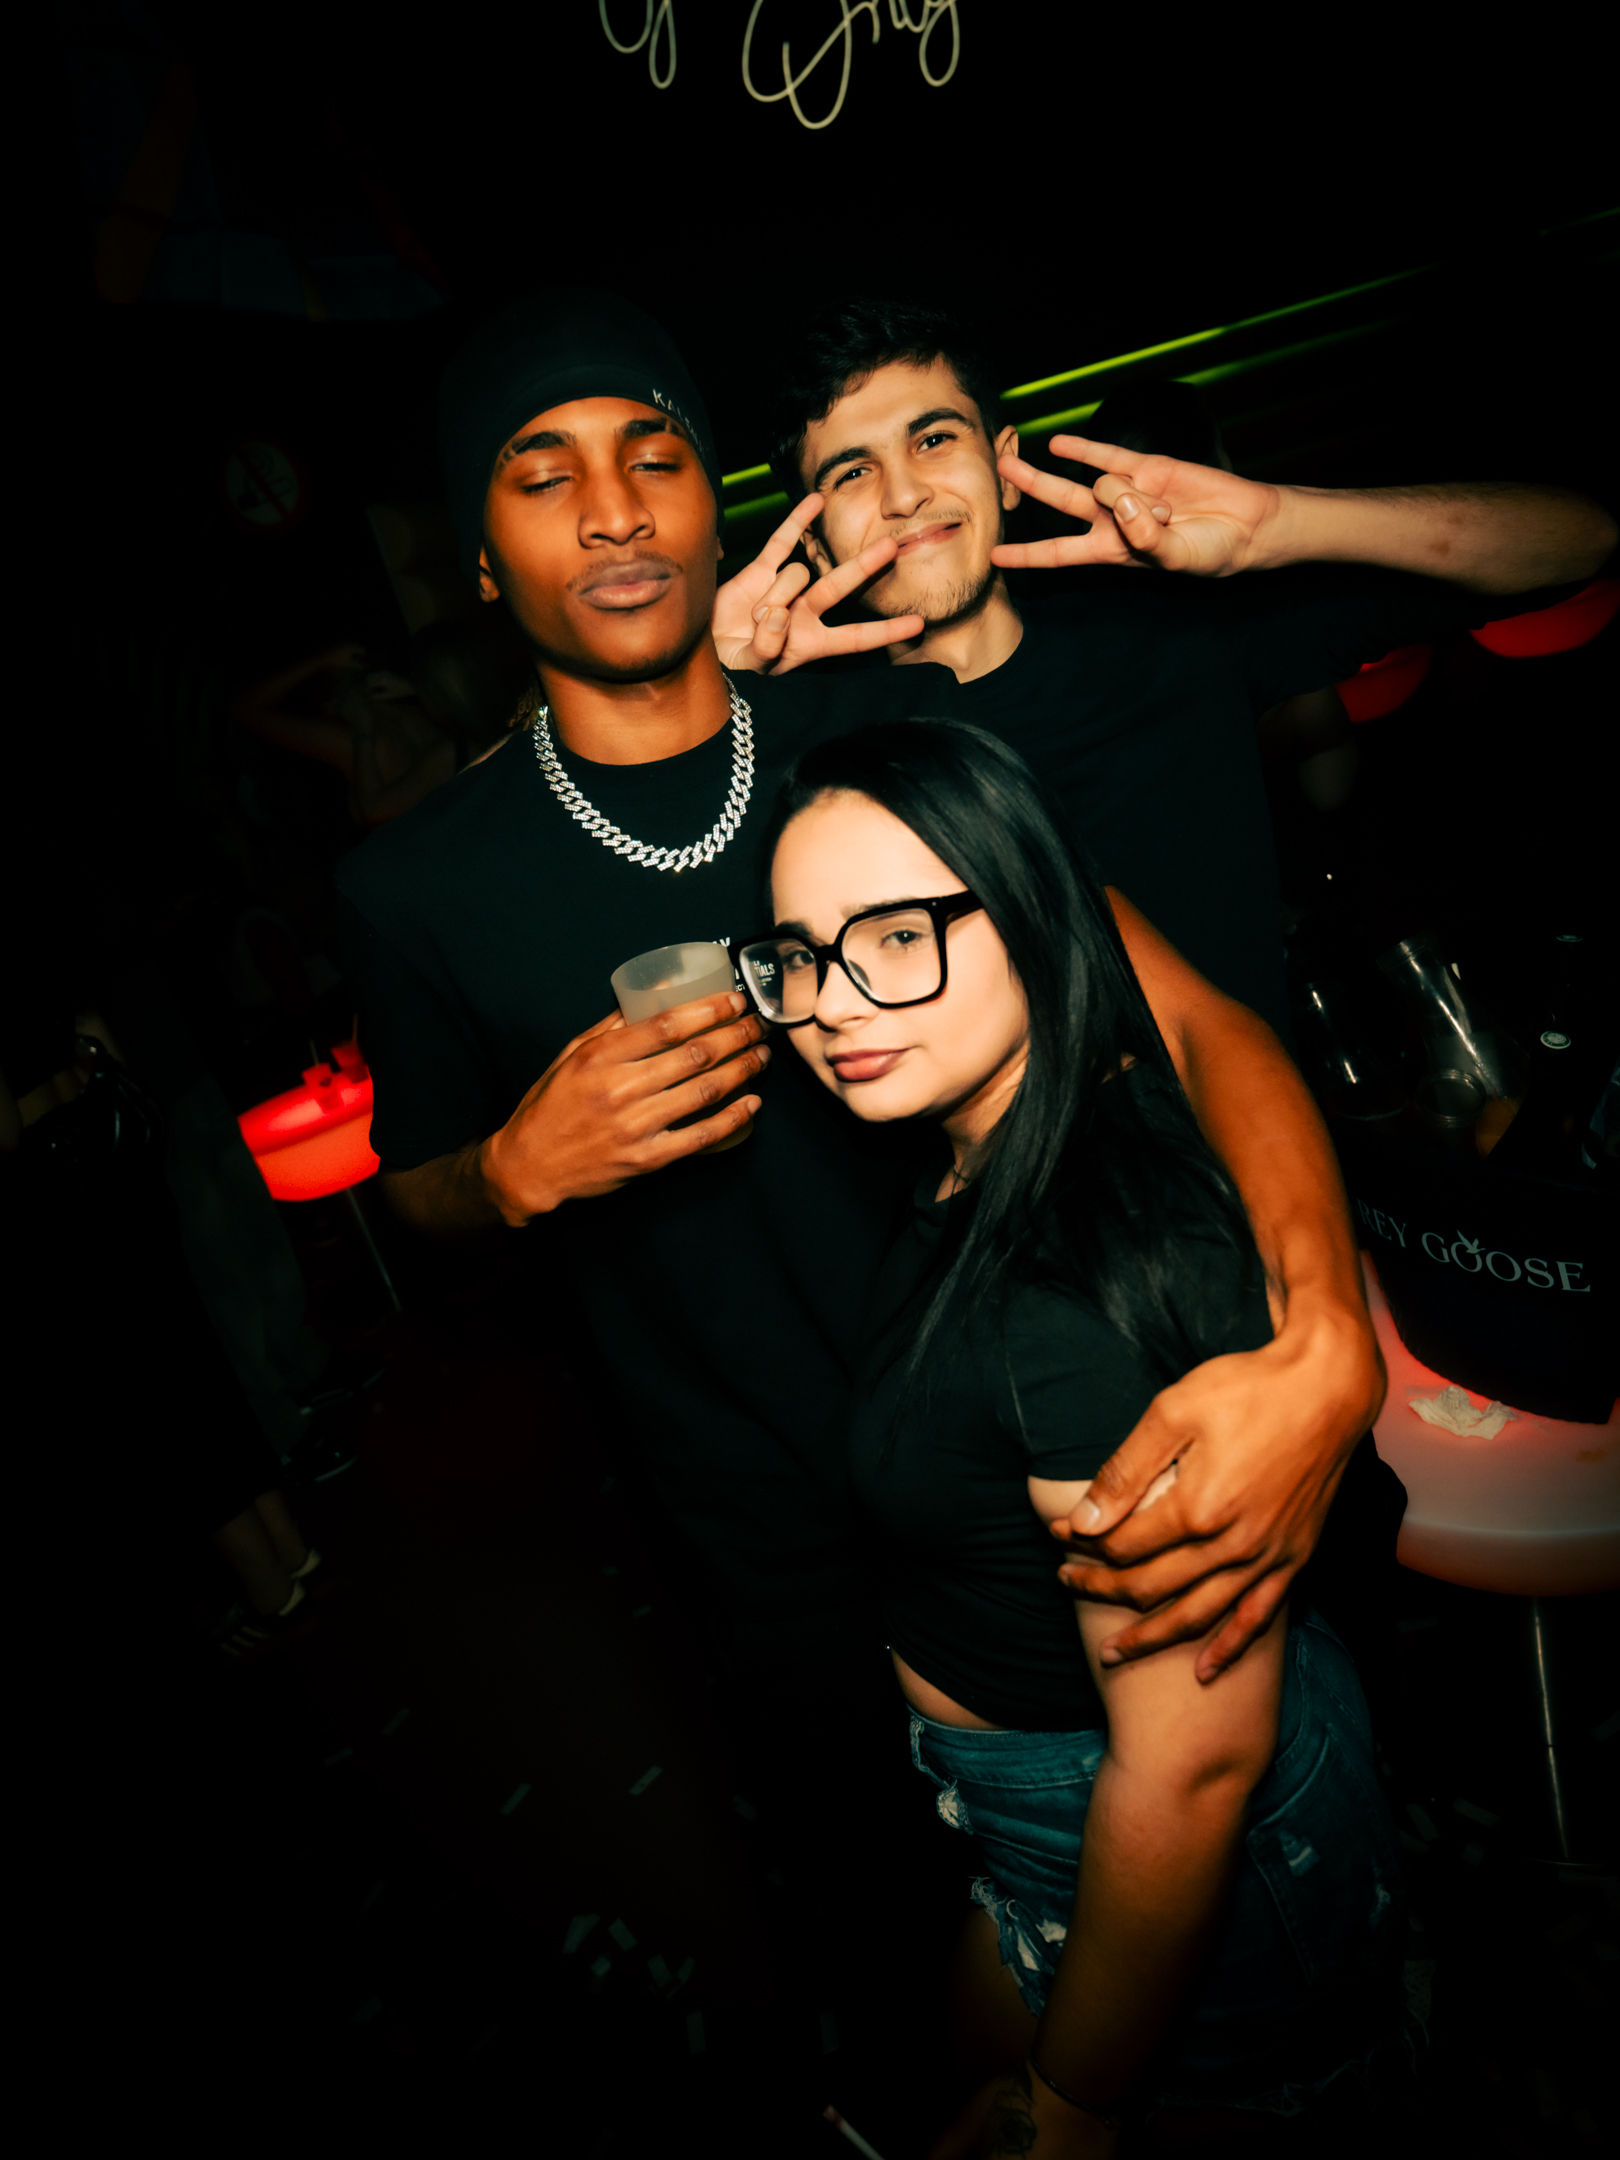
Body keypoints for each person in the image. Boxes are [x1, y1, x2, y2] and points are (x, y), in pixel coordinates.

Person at [336, 288, 1387, 1744]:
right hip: (768, 1530)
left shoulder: (883, 734)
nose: (615, 514)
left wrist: (1327, 1328)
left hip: (1066, 1429)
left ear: (716, 515)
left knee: (1239, 1790)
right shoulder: (416, 885)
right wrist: (512, 1169)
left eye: (654, 458)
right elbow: (411, 1190)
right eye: (542, 476)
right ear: (477, 553)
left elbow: (1194, 1025)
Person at [747, 297, 1614, 1655]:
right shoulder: (810, 734)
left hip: (1255, 1232)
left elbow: (1576, 541)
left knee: (1323, 1641)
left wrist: (1277, 523)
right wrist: (700, 694)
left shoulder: (1160, 625)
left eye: (934, 438)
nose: (904, 493)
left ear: (1004, 457)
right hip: (1003, 1309)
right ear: (808, 530)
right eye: (850, 471)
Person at [744, 718, 1408, 2154]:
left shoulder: (1075, 1297)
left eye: (898, 936)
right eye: (796, 954)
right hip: (1035, 1804)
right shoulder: (1010, 1129)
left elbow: (1190, 1765)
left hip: (1126, 1815)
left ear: (1032, 912)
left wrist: (1079, 2104)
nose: (831, 1004)